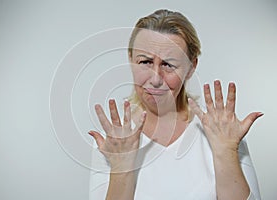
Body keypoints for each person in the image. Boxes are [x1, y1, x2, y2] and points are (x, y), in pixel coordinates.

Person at [88, 9, 262, 200]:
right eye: (145, 62)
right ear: (131, 61)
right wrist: (122, 168)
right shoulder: (113, 139)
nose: (155, 79)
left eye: (169, 64)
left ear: (191, 67)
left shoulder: (223, 131)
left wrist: (226, 152)